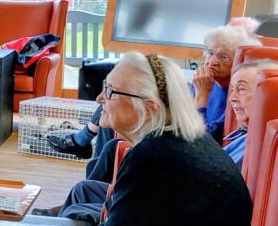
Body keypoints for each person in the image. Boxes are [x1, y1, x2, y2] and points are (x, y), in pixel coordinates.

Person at [50, 52, 251, 225]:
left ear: (149, 107)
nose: (100, 98)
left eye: (110, 90)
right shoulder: (181, 141)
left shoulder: (154, 157)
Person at [49, 24, 261, 159]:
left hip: (177, 141)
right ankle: (85, 141)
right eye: (210, 53)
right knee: (115, 99)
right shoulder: (207, 81)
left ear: (237, 62)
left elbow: (201, 140)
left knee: (116, 122)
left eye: (223, 57)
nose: (212, 62)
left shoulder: (236, 96)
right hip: (170, 125)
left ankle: (83, 142)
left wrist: (202, 96)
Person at [225, 60, 278, 169]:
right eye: (232, 89)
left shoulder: (261, 145)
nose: (232, 98)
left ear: (268, 95)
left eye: (241, 89)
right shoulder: (249, 133)